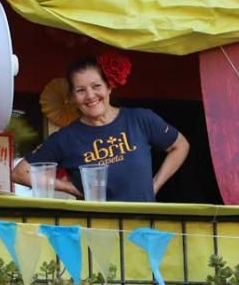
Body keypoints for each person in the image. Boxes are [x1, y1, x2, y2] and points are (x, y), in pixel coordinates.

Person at [12, 56, 189, 201]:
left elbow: (180, 145)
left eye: (96, 86)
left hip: (144, 230)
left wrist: (155, 185)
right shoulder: (66, 138)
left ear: (109, 87)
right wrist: (69, 188)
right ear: (73, 97)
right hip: (97, 232)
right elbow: (20, 173)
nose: (90, 96)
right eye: (81, 90)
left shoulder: (140, 119)